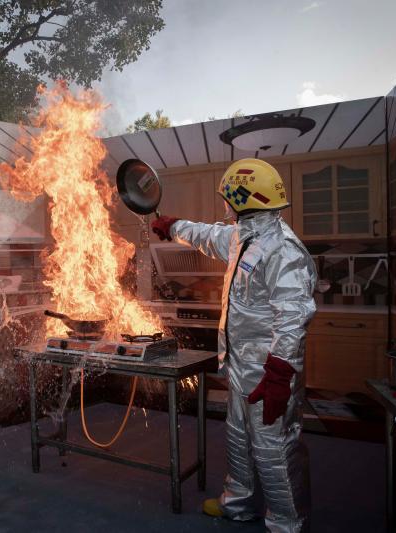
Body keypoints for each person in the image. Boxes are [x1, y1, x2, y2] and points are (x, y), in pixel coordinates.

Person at [151, 158, 316, 533]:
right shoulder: (245, 237)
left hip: (269, 372)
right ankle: (237, 504)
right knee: (239, 438)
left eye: (227, 197)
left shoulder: (283, 250)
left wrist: (278, 376)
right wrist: (173, 226)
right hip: (242, 367)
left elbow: (293, 320)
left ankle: (288, 525)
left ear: (242, 199)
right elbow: (208, 235)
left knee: (275, 448)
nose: (224, 204)